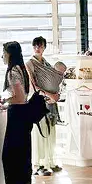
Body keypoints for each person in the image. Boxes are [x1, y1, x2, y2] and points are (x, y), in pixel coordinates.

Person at [0, 41, 32, 184]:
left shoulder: (13, 72)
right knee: (21, 155)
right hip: (23, 114)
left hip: (18, 116)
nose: (2, 56)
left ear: (9, 54)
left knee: (11, 156)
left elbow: (19, 97)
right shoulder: (21, 69)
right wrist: (7, 103)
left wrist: (5, 100)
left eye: (4, 53)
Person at [26, 36, 63, 176]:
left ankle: (50, 161)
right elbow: (33, 85)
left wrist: (55, 95)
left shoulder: (46, 63)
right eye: (35, 46)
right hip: (38, 102)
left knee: (51, 131)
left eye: (40, 46)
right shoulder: (30, 64)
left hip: (50, 102)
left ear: (44, 47)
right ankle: (40, 164)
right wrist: (50, 95)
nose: (37, 48)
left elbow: (54, 80)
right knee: (40, 132)